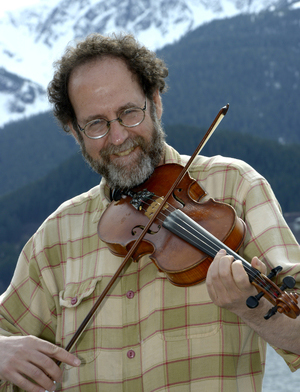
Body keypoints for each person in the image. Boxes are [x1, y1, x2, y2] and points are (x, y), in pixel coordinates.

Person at [0, 33, 300, 392]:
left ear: (155, 102)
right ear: (74, 132)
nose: (117, 137)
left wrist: (251, 309)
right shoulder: (56, 236)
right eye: (96, 124)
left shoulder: (234, 188)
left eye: (128, 112)